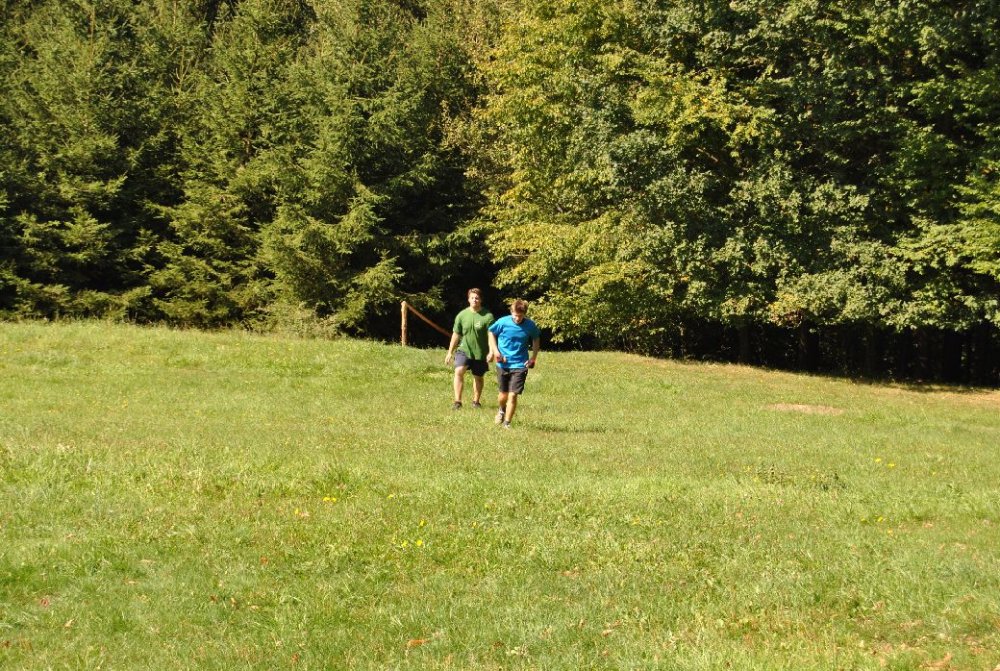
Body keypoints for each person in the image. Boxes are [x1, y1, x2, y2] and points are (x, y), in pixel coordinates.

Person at [487, 299, 541, 429]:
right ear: (511, 312)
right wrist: (495, 351)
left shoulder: (530, 325)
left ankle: (507, 423)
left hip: (520, 364)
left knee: (513, 394)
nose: (517, 318)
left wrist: (533, 358)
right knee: (503, 395)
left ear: (525, 314)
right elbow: (491, 333)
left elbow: (536, 339)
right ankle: (501, 409)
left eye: (520, 316)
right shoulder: (502, 322)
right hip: (503, 364)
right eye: (515, 315)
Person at [444, 288, 494, 410]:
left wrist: (492, 352)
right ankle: (457, 402)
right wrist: (450, 352)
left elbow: (491, 336)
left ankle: (476, 401)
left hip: (480, 352)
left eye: (477, 298)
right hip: (464, 349)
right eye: (472, 298)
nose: (474, 300)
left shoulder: (488, 316)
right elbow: (456, 334)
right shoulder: (462, 315)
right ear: (468, 299)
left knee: (478, 377)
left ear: (481, 300)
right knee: (459, 371)